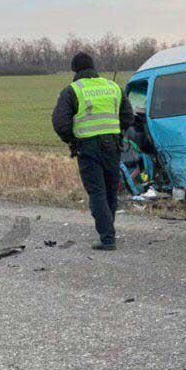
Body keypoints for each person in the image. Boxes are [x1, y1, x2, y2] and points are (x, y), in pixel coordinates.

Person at [52, 53, 133, 250]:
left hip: (88, 147)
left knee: (97, 192)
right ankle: (109, 230)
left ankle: (107, 238)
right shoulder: (113, 87)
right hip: (112, 146)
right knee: (110, 190)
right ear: (93, 67)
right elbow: (128, 117)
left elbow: (60, 123)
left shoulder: (72, 90)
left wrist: (72, 139)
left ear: (75, 70)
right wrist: (116, 132)